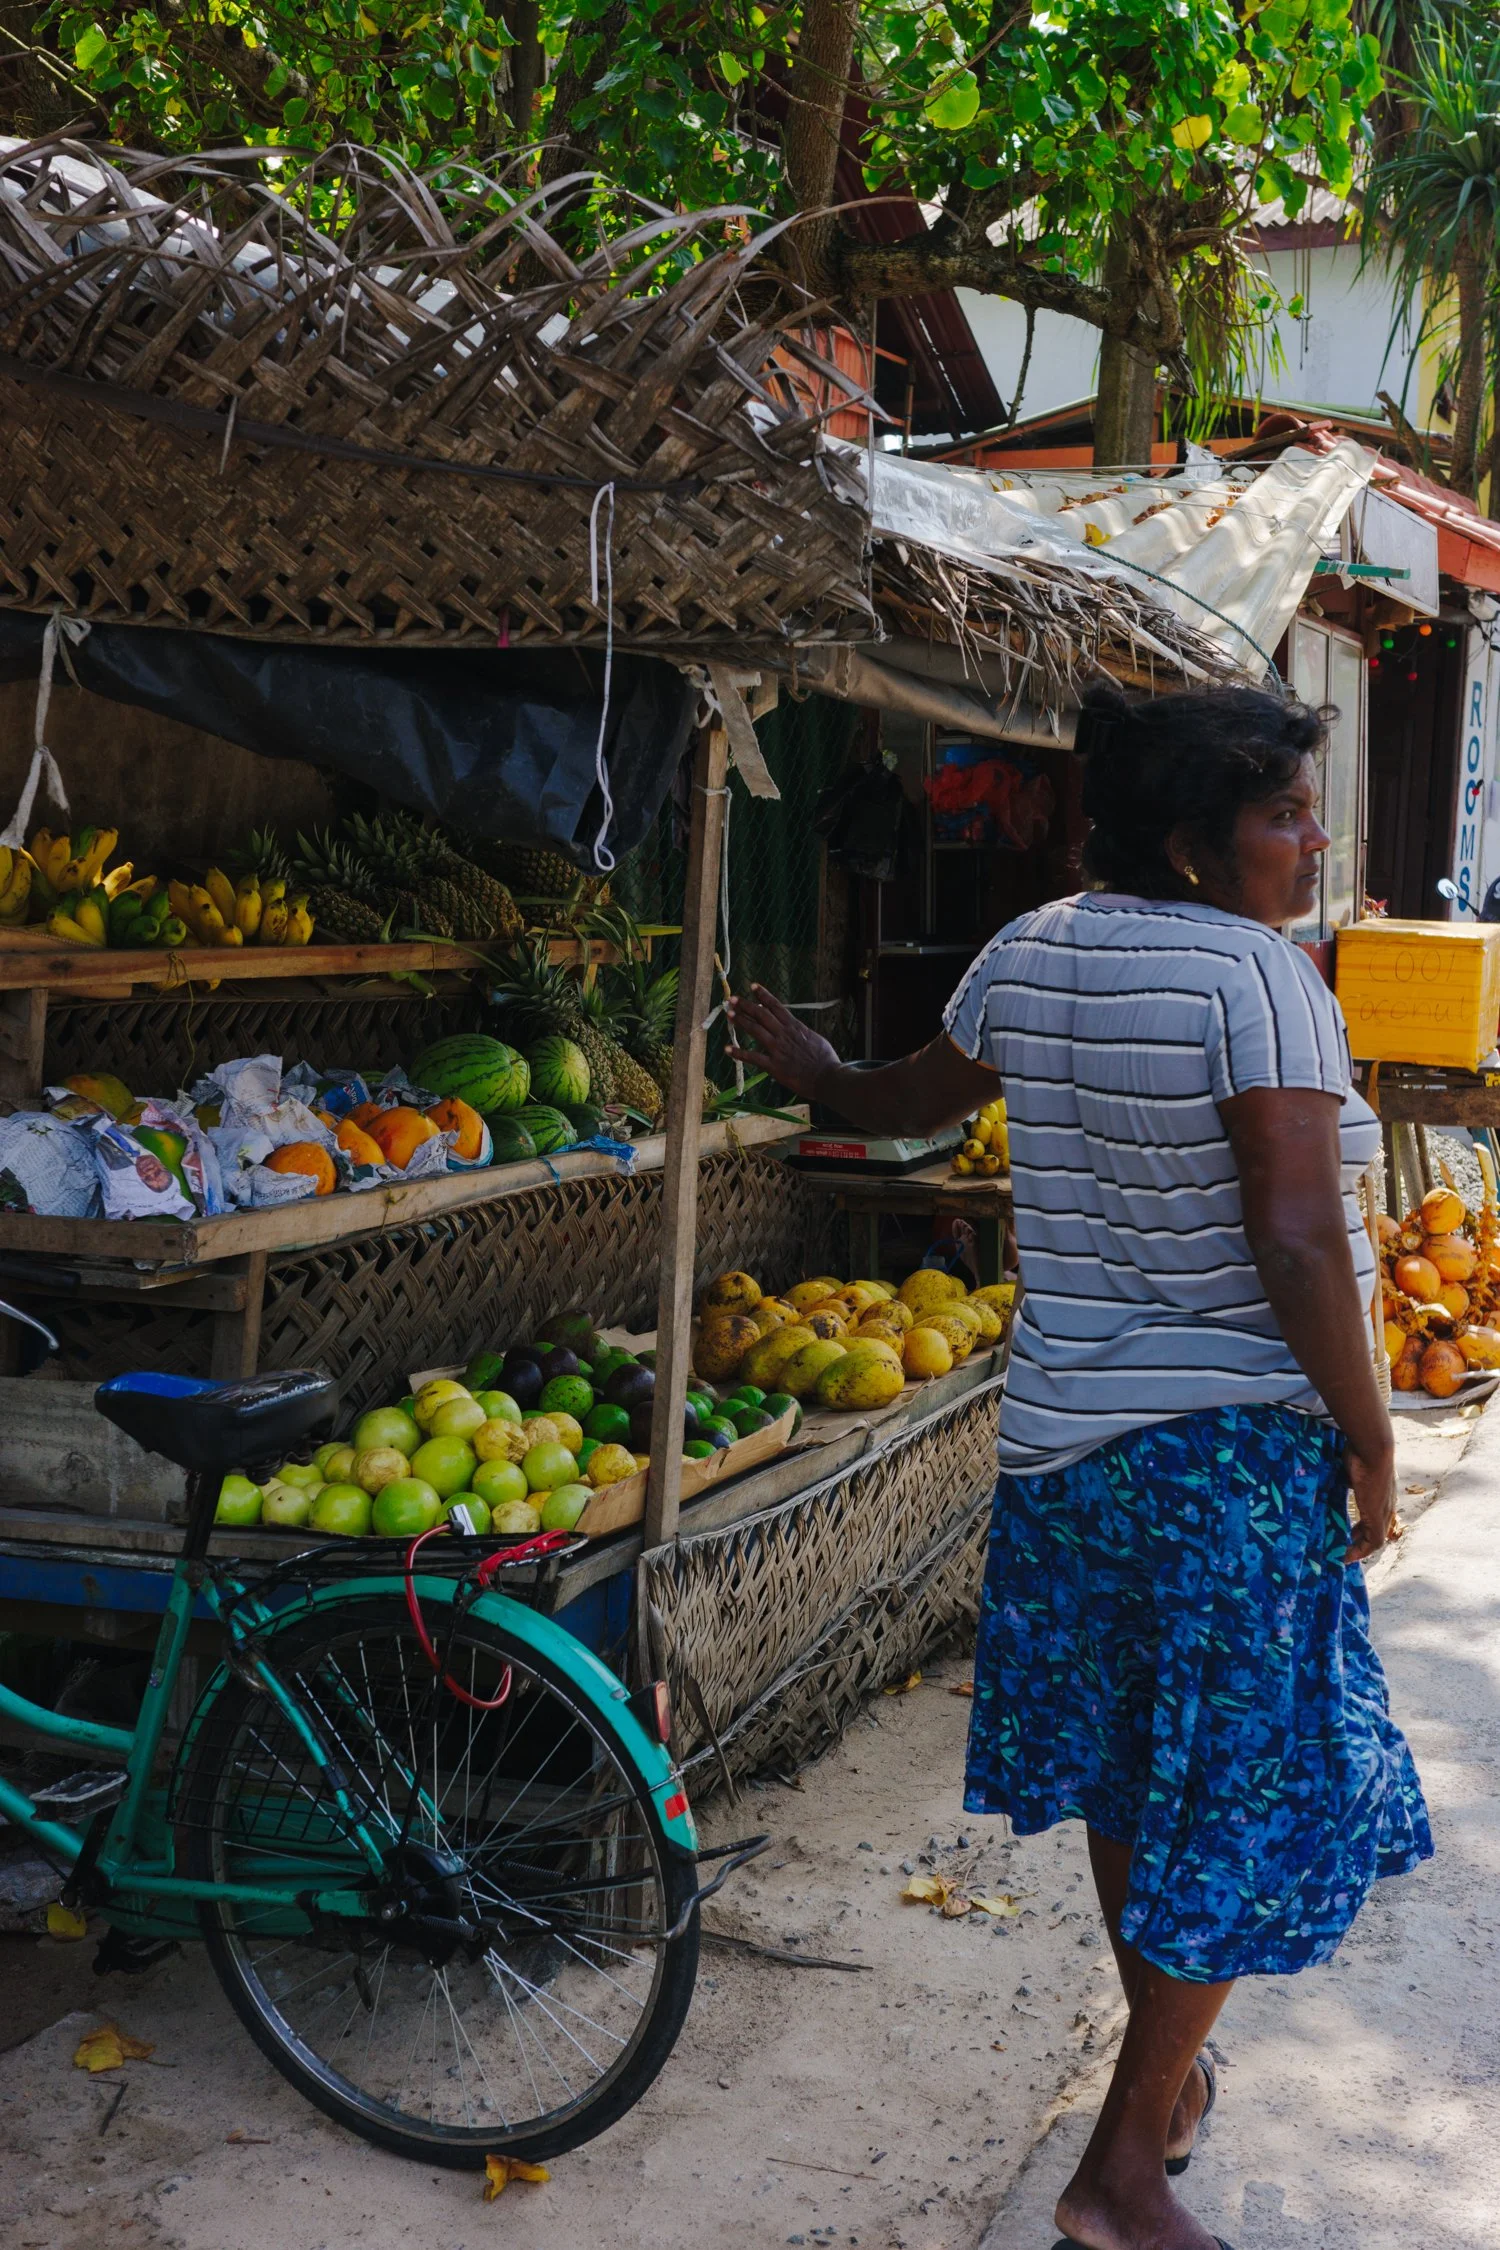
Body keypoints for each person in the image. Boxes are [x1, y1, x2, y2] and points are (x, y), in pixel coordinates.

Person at [727, 682, 1431, 2250]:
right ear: (1191, 842)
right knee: (1247, 1802)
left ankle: (1162, 2090)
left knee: (1135, 1775)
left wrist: (813, 1062)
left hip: (1063, 1458)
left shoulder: (1029, 949)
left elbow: (904, 1103)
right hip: (1227, 1468)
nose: (1314, 841)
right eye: (1281, 815)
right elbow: (1300, 1231)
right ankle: (1120, 2172)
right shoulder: (1258, 979)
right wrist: (1375, 1444)